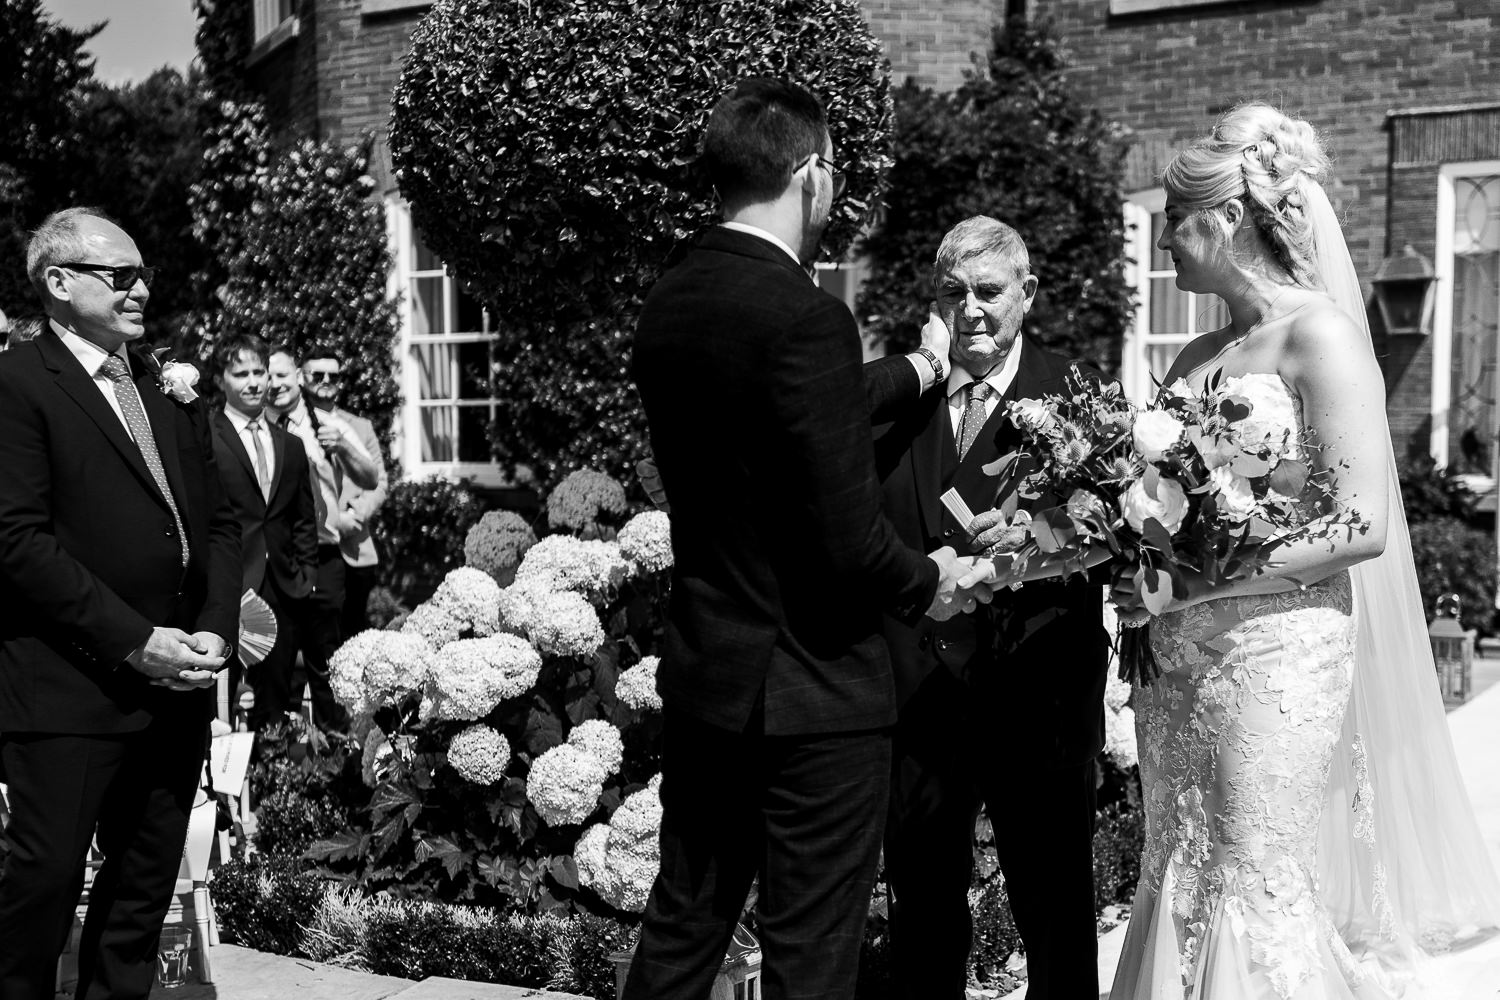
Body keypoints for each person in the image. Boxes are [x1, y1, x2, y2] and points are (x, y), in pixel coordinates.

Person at [1108, 103, 1500, 997]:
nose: (1166, 239)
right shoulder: (1194, 356)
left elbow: (1361, 523)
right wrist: (1138, 569)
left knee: (1253, 872)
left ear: (1227, 219)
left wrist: (1198, 580)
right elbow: (1163, 507)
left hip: (1277, 653)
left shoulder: (1320, 334)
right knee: (1174, 864)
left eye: (1177, 219)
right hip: (1175, 657)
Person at [624, 78, 986, 1000]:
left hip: (713, 680)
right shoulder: (805, 315)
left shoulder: (673, 300)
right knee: (810, 962)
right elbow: (846, 542)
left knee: (682, 929)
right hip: (815, 698)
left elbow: (787, 417)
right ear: (812, 174)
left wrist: (920, 369)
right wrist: (930, 578)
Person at [0, 207, 240, 999]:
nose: (141, 287)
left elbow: (220, 524)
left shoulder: (164, 388)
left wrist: (210, 633)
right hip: (70, 688)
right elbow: (17, 542)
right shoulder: (18, 385)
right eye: (120, 275)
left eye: (143, 273)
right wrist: (136, 640)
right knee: (41, 895)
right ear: (59, 284)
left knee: (140, 895)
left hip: (174, 691)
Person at [867, 216, 1109, 1000]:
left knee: (1056, 925)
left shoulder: (1081, 399)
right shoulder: (899, 399)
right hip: (921, 707)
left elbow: (1113, 540)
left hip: (1036, 701)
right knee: (925, 925)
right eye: (952, 293)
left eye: (989, 292)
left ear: (1027, 295)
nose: (970, 310)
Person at [265, 346, 378, 731]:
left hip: (324, 557)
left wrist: (342, 446)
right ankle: (280, 758)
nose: (275, 384)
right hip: (276, 562)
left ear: (298, 376)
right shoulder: (257, 427)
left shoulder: (328, 424)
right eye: (268, 376)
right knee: (276, 666)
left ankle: (334, 756)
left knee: (327, 663)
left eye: (282, 375)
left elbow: (372, 478)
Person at [209, 334, 318, 729]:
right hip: (229, 589)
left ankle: (275, 783)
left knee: (275, 705)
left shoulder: (290, 445)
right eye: (242, 373)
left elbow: (304, 518)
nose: (255, 382)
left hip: (283, 589)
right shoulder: (206, 438)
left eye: (260, 372)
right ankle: (225, 790)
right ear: (222, 380)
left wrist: (306, 576)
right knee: (222, 705)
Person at [298, 352, 388, 639]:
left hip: (355, 547)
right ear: (301, 377)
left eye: (333, 376)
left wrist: (355, 516)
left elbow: (381, 481)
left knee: (352, 633)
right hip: (312, 545)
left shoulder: (360, 427)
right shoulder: (292, 422)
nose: (326, 381)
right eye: (318, 375)